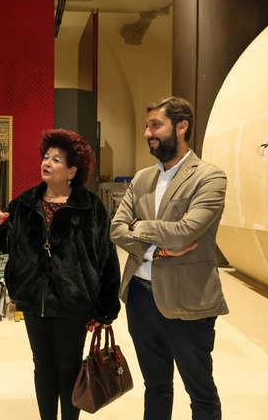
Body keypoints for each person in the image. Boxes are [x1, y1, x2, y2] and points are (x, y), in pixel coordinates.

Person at [0, 129, 121, 420]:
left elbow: (107, 258)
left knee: (69, 368)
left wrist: (106, 308)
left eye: (56, 159)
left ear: (72, 171)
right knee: (43, 367)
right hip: (34, 301)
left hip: (73, 303)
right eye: (46, 157)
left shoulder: (90, 207)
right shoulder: (25, 202)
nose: (47, 162)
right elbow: (5, 241)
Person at [110, 96, 228, 420]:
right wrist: (157, 249)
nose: (149, 133)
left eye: (156, 125)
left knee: (200, 391)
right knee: (156, 387)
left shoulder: (209, 177)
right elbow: (116, 230)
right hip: (140, 300)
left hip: (188, 301)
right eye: (147, 126)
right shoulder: (141, 178)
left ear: (182, 126)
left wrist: (140, 227)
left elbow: (185, 231)